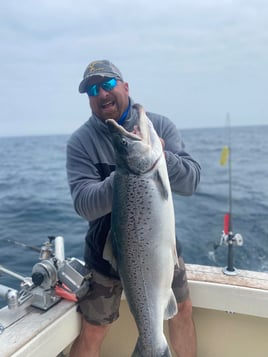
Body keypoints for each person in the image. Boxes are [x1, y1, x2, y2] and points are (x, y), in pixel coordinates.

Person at [66, 59, 200, 357]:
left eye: (109, 84)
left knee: (182, 312)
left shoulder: (158, 126)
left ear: (125, 87)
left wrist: (162, 156)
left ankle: (152, 346)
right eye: (93, 90)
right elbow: (84, 205)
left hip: (159, 248)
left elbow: (191, 182)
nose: (102, 93)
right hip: (105, 252)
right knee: (94, 328)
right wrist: (127, 173)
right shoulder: (80, 142)